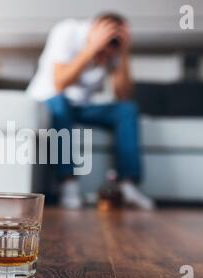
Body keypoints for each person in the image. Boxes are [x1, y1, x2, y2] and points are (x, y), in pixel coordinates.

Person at [27, 12, 154, 210]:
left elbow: (123, 95)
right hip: (48, 102)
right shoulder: (67, 31)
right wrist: (92, 48)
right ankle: (68, 184)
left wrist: (122, 53)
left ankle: (127, 185)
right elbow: (60, 82)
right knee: (61, 103)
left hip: (79, 107)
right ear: (93, 29)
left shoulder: (113, 50)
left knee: (127, 110)